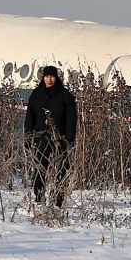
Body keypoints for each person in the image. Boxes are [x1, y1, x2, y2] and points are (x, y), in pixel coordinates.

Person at [24, 66, 77, 207]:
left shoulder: (65, 95)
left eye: (52, 76)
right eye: (47, 76)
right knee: (40, 168)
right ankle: (39, 197)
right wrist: (28, 137)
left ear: (56, 78)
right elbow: (30, 118)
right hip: (41, 138)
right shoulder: (36, 94)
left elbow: (71, 119)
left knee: (62, 169)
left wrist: (69, 139)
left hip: (60, 138)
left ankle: (59, 199)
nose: (49, 79)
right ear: (43, 78)